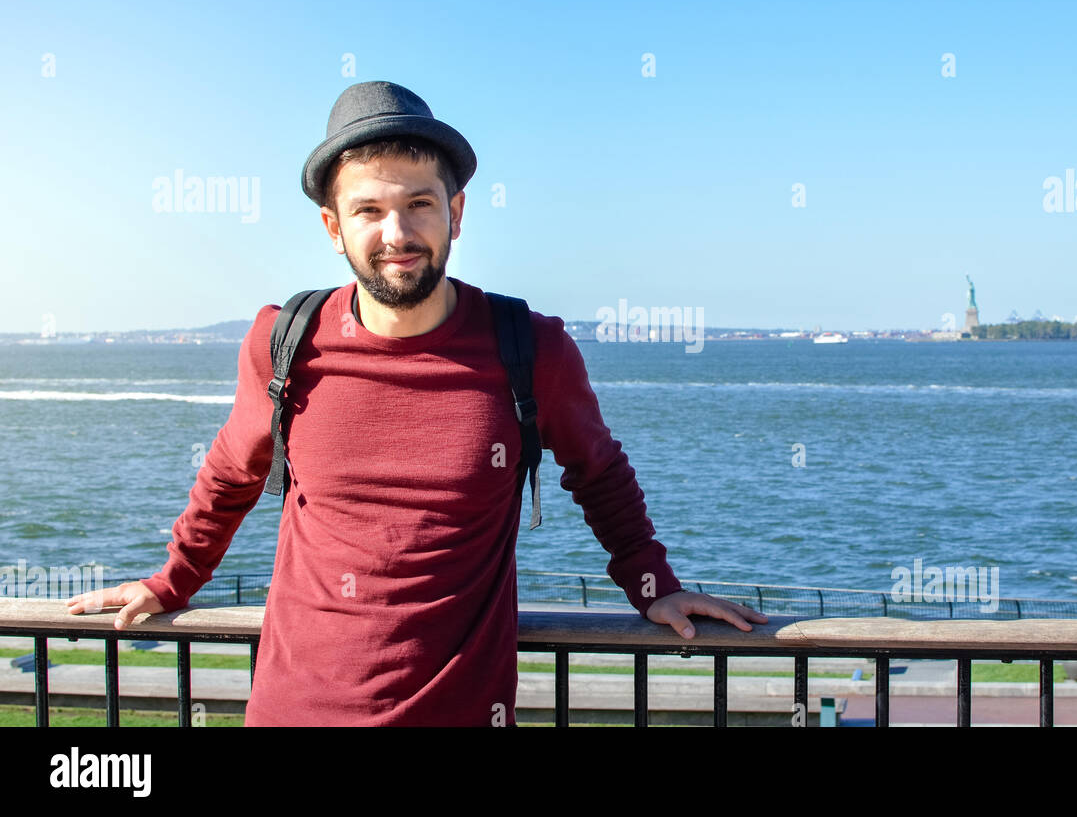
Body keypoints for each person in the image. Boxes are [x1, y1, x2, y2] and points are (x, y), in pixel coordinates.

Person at [65, 81, 766, 726]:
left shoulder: (531, 348)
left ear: (455, 213)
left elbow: (600, 473)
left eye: (418, 204)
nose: (396, 234)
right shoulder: (284, 343)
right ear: (333, 227)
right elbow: (230, 475)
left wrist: (654, 586)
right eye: (368, 209)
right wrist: (172, 579)